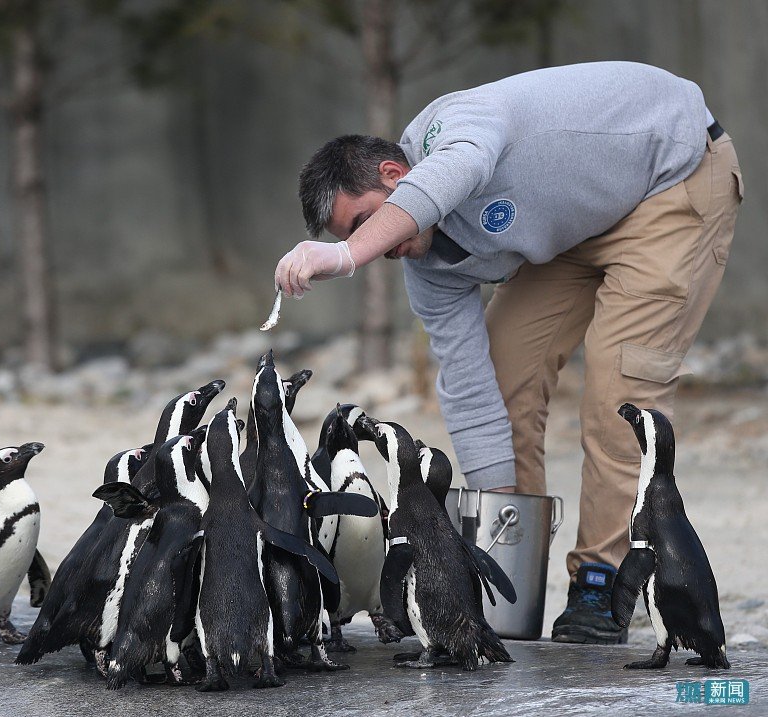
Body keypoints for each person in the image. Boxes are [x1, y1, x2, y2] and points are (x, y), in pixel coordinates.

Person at [274, 61, 743, 644]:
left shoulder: (458, 125)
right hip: (579, 223)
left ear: (396, 174)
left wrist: (344, 260)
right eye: (349, 239)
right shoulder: (427, 266)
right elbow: (472, 394)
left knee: (619, 394)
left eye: (363, 224)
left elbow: (457, 169)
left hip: (671, 178)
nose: (372, 248)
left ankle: (601, 580)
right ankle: (515, 587)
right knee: (502, 379)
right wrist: (493, 546)